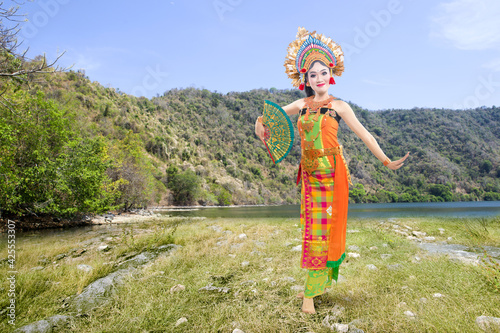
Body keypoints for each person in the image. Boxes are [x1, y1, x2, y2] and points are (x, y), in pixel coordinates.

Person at [254, 27, 409, 314]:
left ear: (331, 73)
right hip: (311, 177)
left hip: (333, 175)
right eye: (313, 74)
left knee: (327, 231)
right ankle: (310, 292)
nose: (319, 78)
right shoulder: (301, 104)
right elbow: (270, 117)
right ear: (306, 79)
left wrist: (386, 161)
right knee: (314, 233)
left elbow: (367, 136)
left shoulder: (340, 106)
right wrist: (259, 123)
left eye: (323, 72)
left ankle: (311, 293)